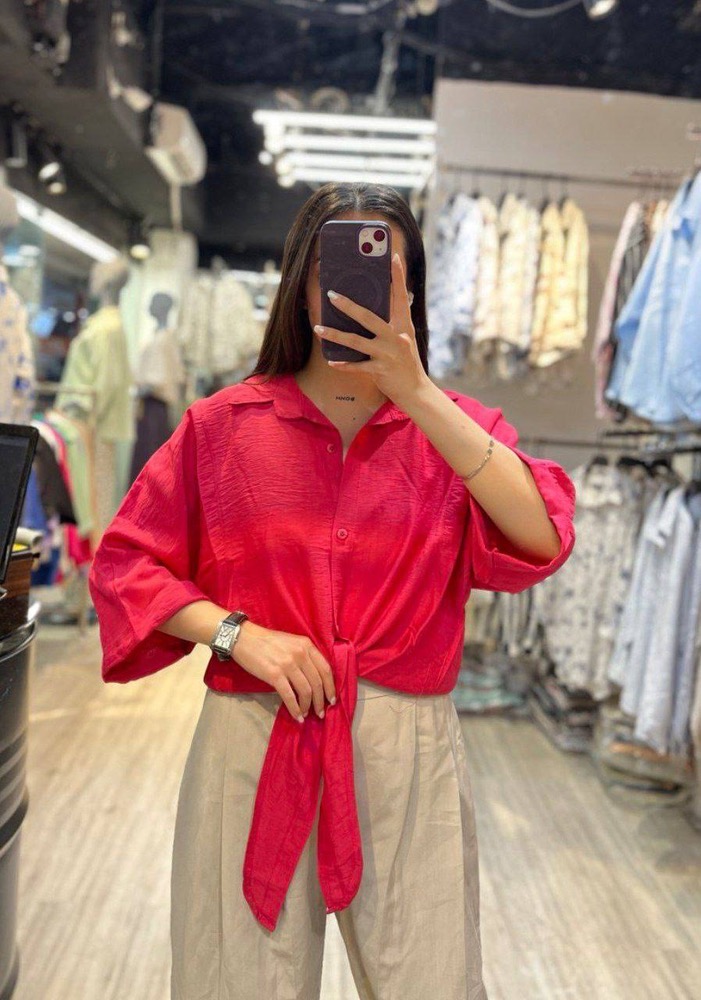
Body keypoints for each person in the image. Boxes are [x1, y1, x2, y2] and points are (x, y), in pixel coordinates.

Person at [89, 183, 576, 1000]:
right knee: (233, 982)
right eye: (331, 267)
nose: (353, 287)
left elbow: (542, 536)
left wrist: (417, 393)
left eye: (384, 270)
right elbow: (126, 563)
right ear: (299, 283)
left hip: (405, 748)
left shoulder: (457, 432)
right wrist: (236, 634)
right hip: (254, 738)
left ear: (410, 289)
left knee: (430, 984)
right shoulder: (222, 427)